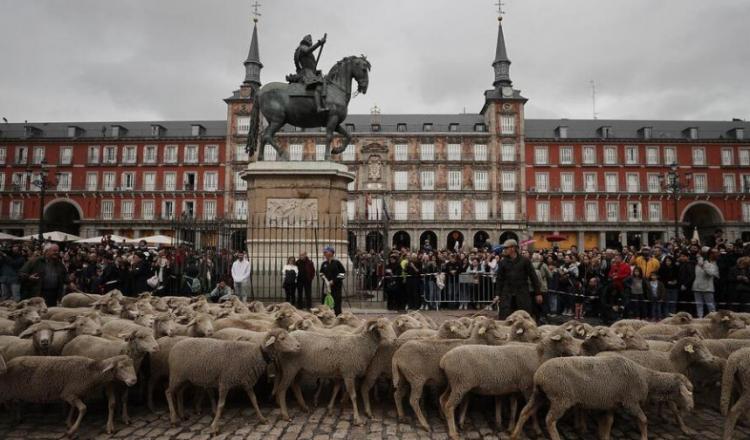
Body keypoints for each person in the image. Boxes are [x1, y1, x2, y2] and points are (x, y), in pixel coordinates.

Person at [496, 239, 541, 320]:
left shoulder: (525, 260)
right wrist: (497, 295)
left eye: (506, 248)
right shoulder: (503, 262)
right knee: (506, 319)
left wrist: (538, 293)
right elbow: (499, 279)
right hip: (507, 295)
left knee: (523, 319)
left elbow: (533, 277)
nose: (504, 250)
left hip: (522, 294)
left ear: (513, 248)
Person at [693, 247, 719, 318]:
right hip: (697, 287)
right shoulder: (698, 263)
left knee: (710, 305)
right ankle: (700, 318)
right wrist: (700, 261)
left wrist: (704, 265)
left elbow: (710, 273)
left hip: (707, 288)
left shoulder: (713, 264)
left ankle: (713, 318)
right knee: (699, 305)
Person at [319, 246, 346, 315]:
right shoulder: (324, 263)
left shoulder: (337, 263)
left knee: (336, 304)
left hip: (336, 287)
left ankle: (338, 317)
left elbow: (343, 274)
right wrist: (323, 278)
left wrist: (333, 281)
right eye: (324, 252)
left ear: (331, 253)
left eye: (326, 252)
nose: (324, 254)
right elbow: (321, 273)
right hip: (326, 287)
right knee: (325, 304)